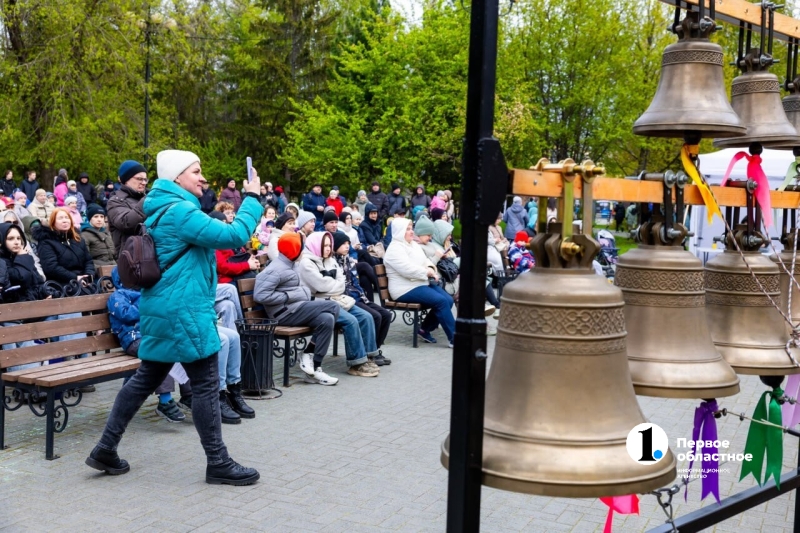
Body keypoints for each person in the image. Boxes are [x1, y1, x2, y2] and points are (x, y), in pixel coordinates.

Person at [86, 149, 263, 485]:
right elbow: (234, 236)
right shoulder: (180, 210)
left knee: (145, 379)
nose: (203, 178)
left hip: (164, 308)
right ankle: (218, 462)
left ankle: (105, 448)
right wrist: (252, 198)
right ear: (176, 176)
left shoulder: (164, 206)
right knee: (206, 384)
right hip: (184, 312)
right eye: (196, 171)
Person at [254, 232, 340, 385]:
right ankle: (307, 354)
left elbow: (300, 289)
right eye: (301, 248)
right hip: (283, 314)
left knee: (327, 319)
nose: (304, 251)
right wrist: (288, 296)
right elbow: (260, 295)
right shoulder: (276, 269)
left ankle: (315, 369)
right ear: (293, 250)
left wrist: (299, 293)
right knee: (333, 306)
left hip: (295, 308)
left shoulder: (292, 264)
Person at [107, 267, 189, 423]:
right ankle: (165, 401)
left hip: (152, 336)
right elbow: (126, 314)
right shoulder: (117, 296)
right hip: (134, 340)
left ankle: (189, 395)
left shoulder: (146, 293)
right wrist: (150, 309)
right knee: (160, 352)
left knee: (182, 347)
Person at [298, 232, 380, 377]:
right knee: (351, 321)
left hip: (338, 299)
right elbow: (320, 286)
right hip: (319, 304)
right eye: (325, 245)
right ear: (316, 246)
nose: (329, 249)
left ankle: (367, 358)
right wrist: (334, 285)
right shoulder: (306, 263)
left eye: (330, 245)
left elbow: (342, 282)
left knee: (366, 316)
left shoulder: (330, 260)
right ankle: (356, 364)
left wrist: (332, 285)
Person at [384, 218, 455, 347]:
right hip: (403, 289)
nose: (412, 232)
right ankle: (455, 339)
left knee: (448, 300)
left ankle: (423, 329)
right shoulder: (394, 248)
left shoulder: (413, 244)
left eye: (411, 228)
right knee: (441, 301)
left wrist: (431, 269)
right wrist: (426, 273)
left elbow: (425, 260)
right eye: (407, 229)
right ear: (399, 231)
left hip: (419, 283)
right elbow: (407, 269)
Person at [333, 231, 392, 366]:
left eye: (348, 243)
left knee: (386, 315)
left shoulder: (349, 260)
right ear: (335, 245)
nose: (347, 246)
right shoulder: (334, 262)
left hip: (358, 298)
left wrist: (363, 296)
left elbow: (355, 282)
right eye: (343, 244)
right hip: (346, 300)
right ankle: (368, 353)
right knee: (375, 316)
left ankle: (374, 350)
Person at [35, 208, 95, 286]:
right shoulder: (46, 242)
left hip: (83, 282)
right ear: (53, 222)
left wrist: (88, 275)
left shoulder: (78, 239)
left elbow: (88, 261)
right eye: (60, 218)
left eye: (67, 218)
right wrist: (75, 278)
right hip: (61, 285)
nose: (65, 220)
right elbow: (51, 267)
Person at [107, 160, 148, 258]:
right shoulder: (115, 201)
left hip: (151, 255)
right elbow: (126, 222)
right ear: (126, 179)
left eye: (145, 180)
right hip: (131, 259)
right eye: (139, 179)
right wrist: (148, 201)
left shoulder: (148, 196)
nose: (143, 183)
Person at [209, 210, 259, 284]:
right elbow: (223, 267)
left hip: (240, 275)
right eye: (221, 223)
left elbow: (239, 256)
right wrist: (247, 265)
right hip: (228, 280)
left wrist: (251, 261)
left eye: (225, 223)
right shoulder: (213, 244)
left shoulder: (229, 238)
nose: (224, 226)